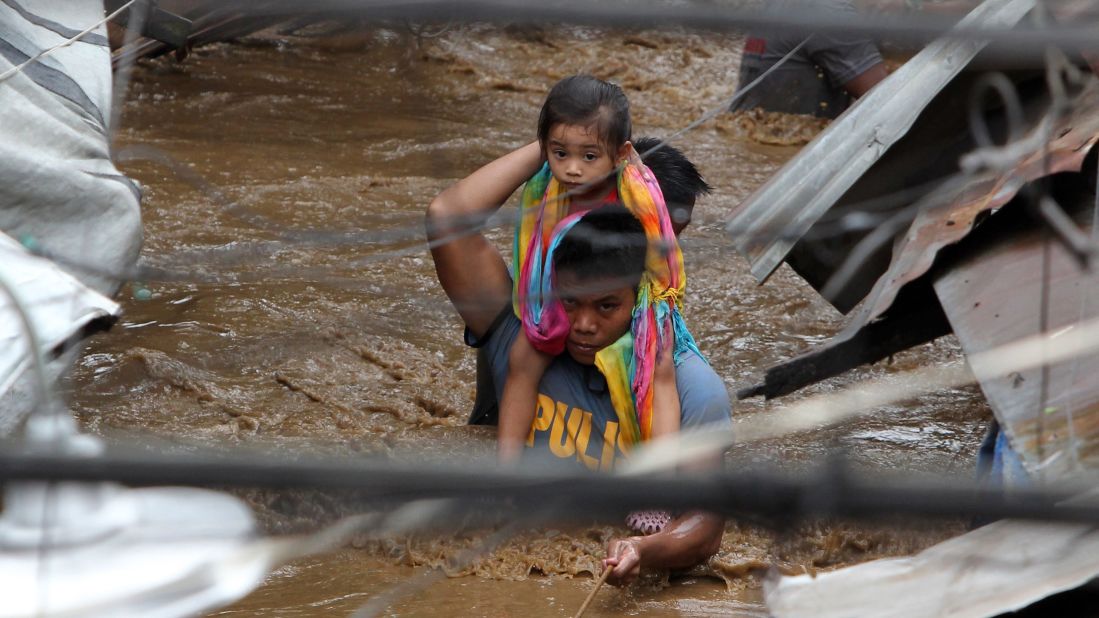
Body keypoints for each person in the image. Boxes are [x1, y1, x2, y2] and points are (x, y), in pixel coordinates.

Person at [427, 141, 731, 586]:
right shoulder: (520, 331)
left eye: (607, 307)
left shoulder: (692, 389)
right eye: (570, 303)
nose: (583, 325)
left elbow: (705, 529)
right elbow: (446, 219)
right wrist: (566, 143)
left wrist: (642, 549)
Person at [496, 76, 696, 468]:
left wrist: (654, 324)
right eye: (560, 153)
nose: (572, 169)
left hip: (633, 302)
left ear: (620, 154)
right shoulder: (544, 189)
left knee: (661, 372)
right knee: (521, 358)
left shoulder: (635, 192)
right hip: (561, 294)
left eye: (589, 157)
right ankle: (506, 469)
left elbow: (662, 267)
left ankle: (659, 484)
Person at [467, 136, 712, 427]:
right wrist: (558, 140)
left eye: (674, 237)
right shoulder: (526, 303)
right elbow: (449, 220)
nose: (667, 253)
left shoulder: (658, 318)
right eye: (657, 231)